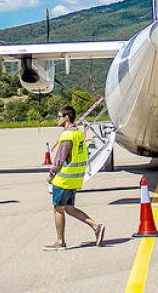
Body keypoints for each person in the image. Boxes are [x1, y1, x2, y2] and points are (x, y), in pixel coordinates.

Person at [43, 105, 104, 250]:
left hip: (63, 179)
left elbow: (59, 159)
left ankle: (60, 241)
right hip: (74, 179)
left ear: (66, 117)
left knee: (58, 208)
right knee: (69, 208)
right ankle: (96, 226)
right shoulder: (78, 134)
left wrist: (51, 174)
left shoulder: (67, 136)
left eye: (59, 116)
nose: (57, 119)